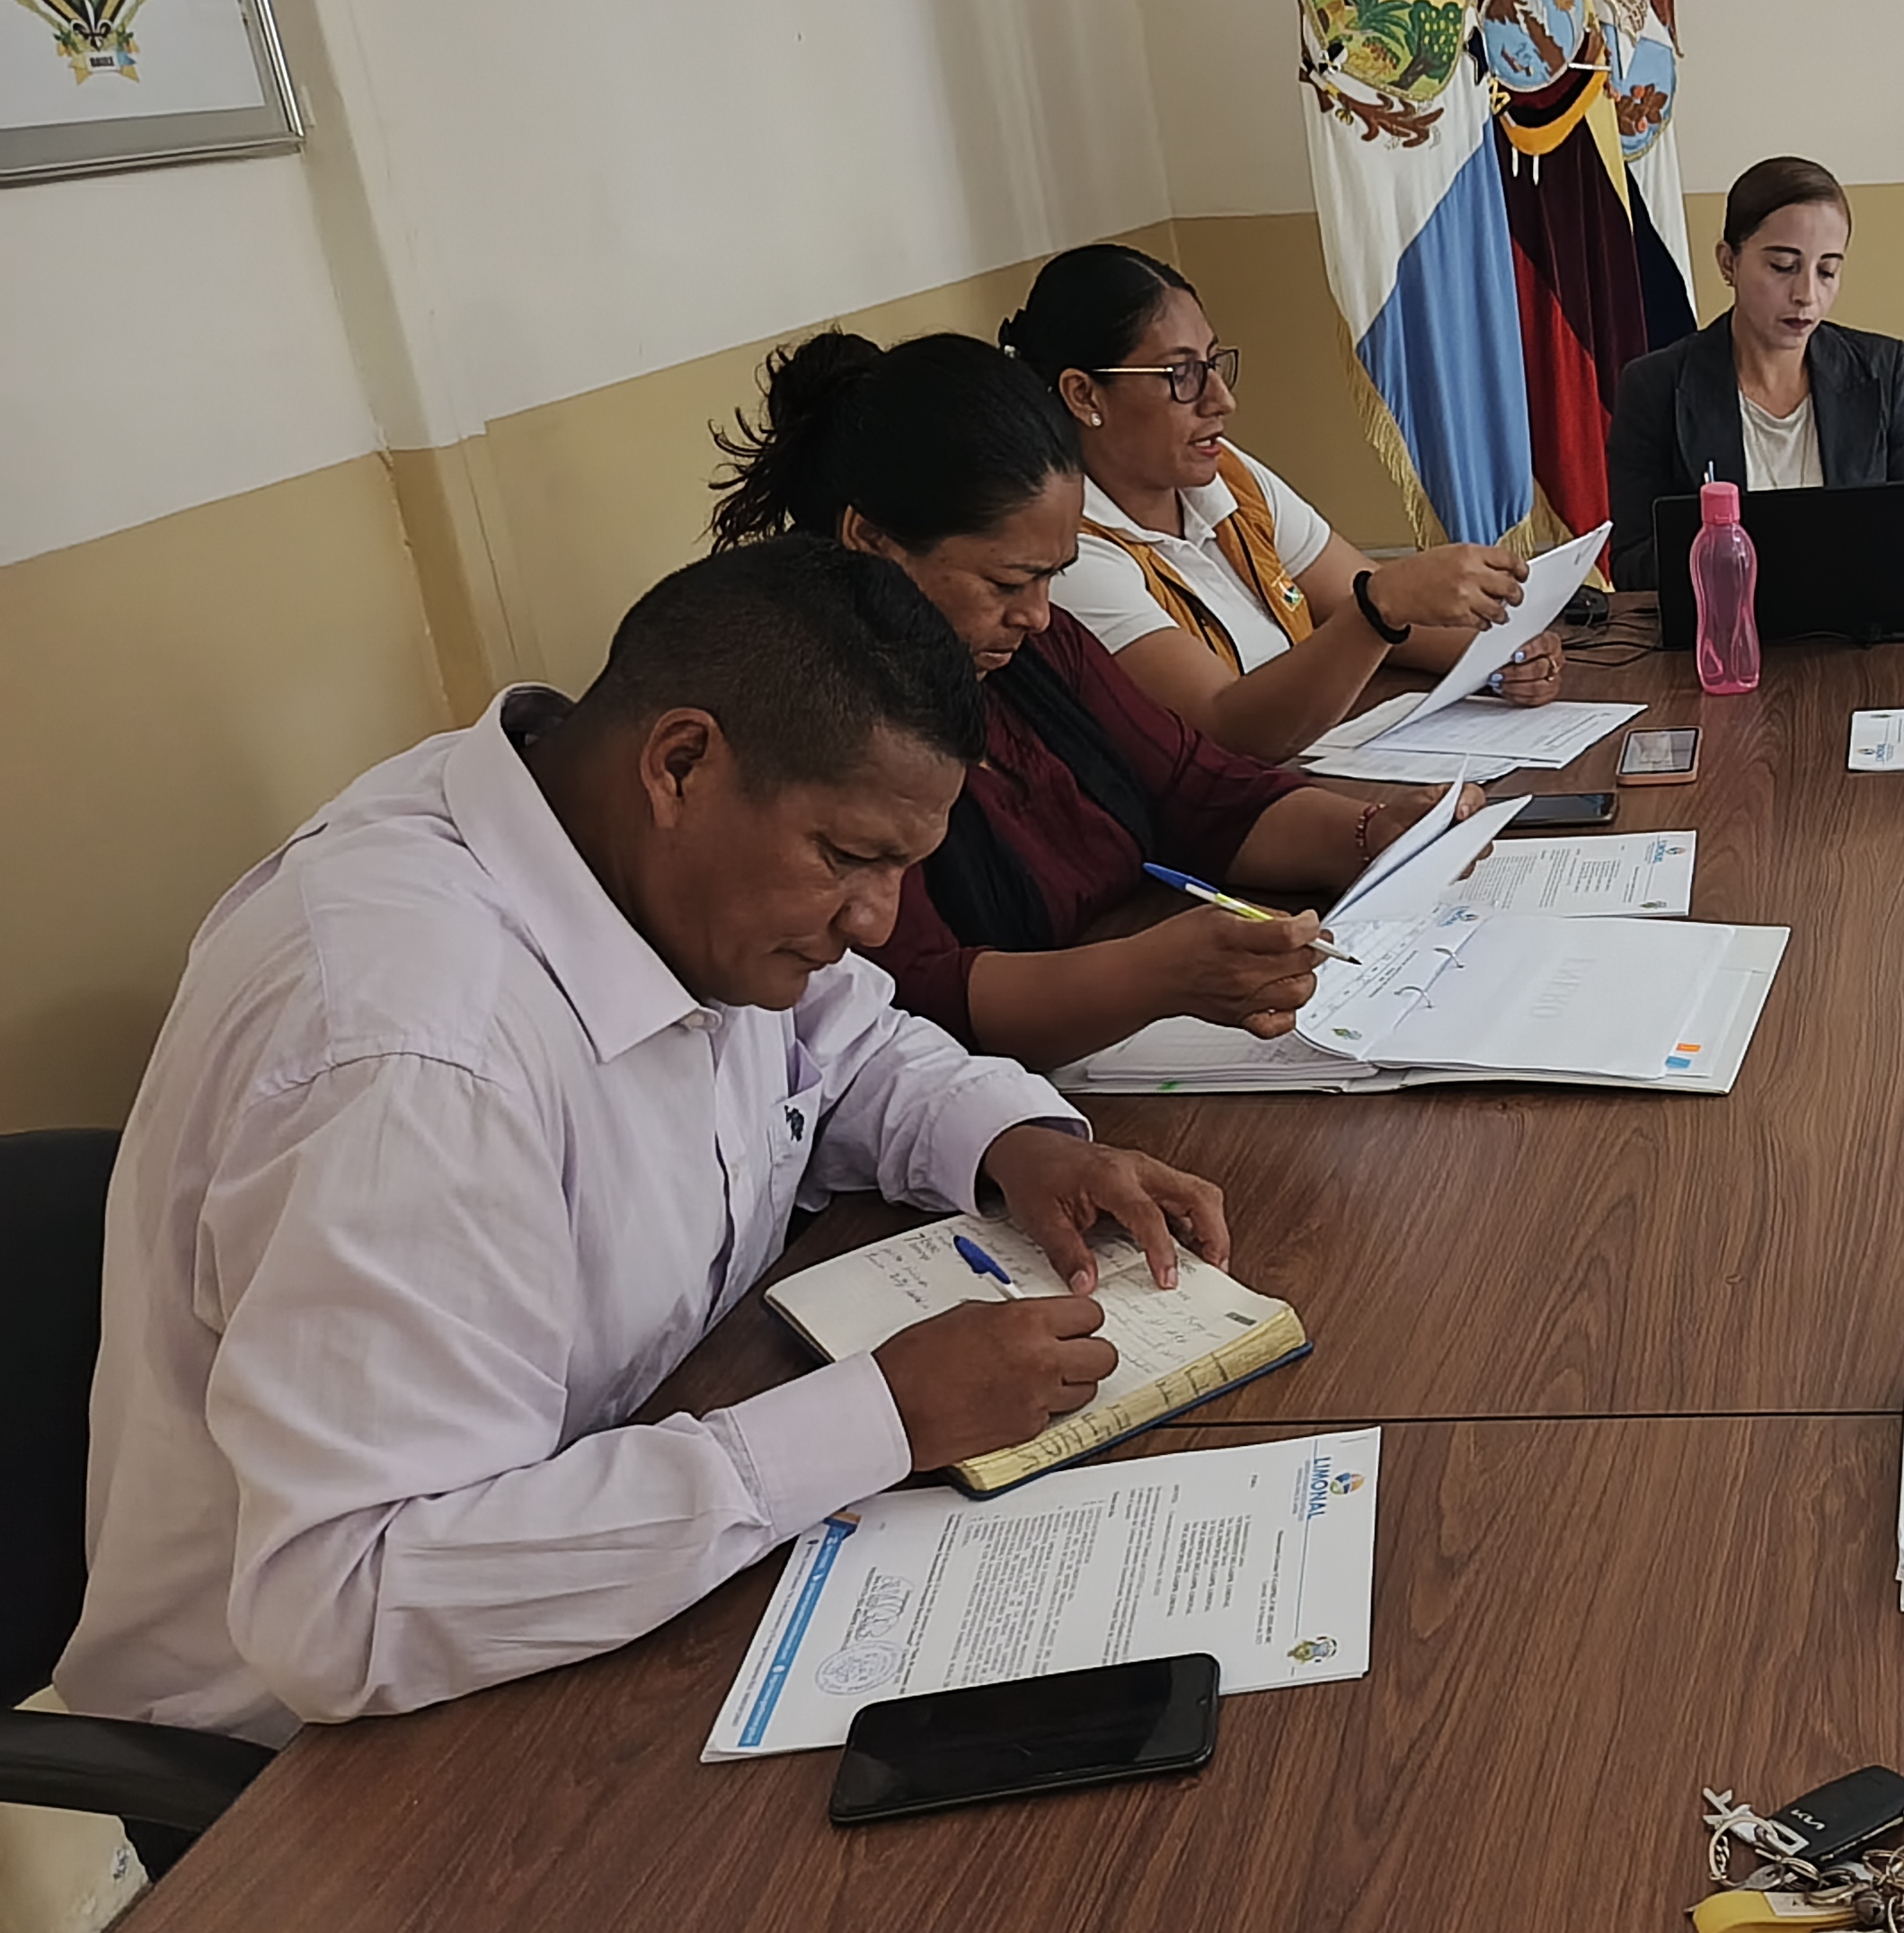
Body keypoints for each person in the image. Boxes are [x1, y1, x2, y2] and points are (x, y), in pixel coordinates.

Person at [64, 539, 1225, 1748]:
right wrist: (879, 1417)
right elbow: (348, 1602)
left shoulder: (629, 852)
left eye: (902, 867)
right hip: (328, 1760)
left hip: (623, 1539)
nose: (877, 920)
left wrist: (1014, 1139)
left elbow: (848, 1044)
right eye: (848, 857)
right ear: (680, 764)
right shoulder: (413, 1056)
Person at [712, 330, 1462, 1071]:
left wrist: (1371, 833)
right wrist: (1158, 975)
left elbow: (1196, 789)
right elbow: (913, 999)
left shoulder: (1034, 651)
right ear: (873, 542)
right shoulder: (816, 722)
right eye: (1007, 583)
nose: (1038, 614)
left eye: (1053, 576)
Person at [1000, 243, 1561, 761]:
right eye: (1182, 374)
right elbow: (1223, 727)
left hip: (1315, 772)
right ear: (1084, 395)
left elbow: (1356, 599)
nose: (1221, 400)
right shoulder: (1067, 553)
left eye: (1212, 364)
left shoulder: (1227, 475)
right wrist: (1382, 605)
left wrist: (1509, 653)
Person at [1606, 155, 1904, 596]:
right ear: (1728, 262)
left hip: (1858, 630)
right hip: (1716, 630)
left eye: (1827, 271)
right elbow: (1633, 567)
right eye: (1783, 266)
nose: (1806, 295)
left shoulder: (1885, 372)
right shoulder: (1655, 386)